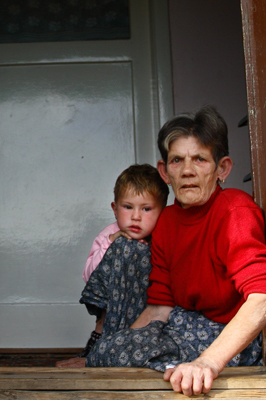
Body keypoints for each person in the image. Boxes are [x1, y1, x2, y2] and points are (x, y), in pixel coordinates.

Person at [84, 105, 266, 397]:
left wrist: (207, 362)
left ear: (222, 168)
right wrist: (106, 352)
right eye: (177, 160)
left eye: (200, 160)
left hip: (225, 337)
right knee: (107, 352)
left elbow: (262, 298)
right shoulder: (167, 220)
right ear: (164, 171)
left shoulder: (235, 210)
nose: (188, 171)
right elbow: (159, 306)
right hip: (180, 325)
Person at [57, 164, 168, 367]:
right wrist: (111, 243)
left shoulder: (162, 236)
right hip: (112, 309)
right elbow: (90, 277)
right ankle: (100, 342)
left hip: (146, 309)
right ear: (115, 209)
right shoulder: (110, 234)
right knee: (124, 247)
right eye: (128, 207)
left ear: (162, 211)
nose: (136, 216)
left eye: (146, 209)